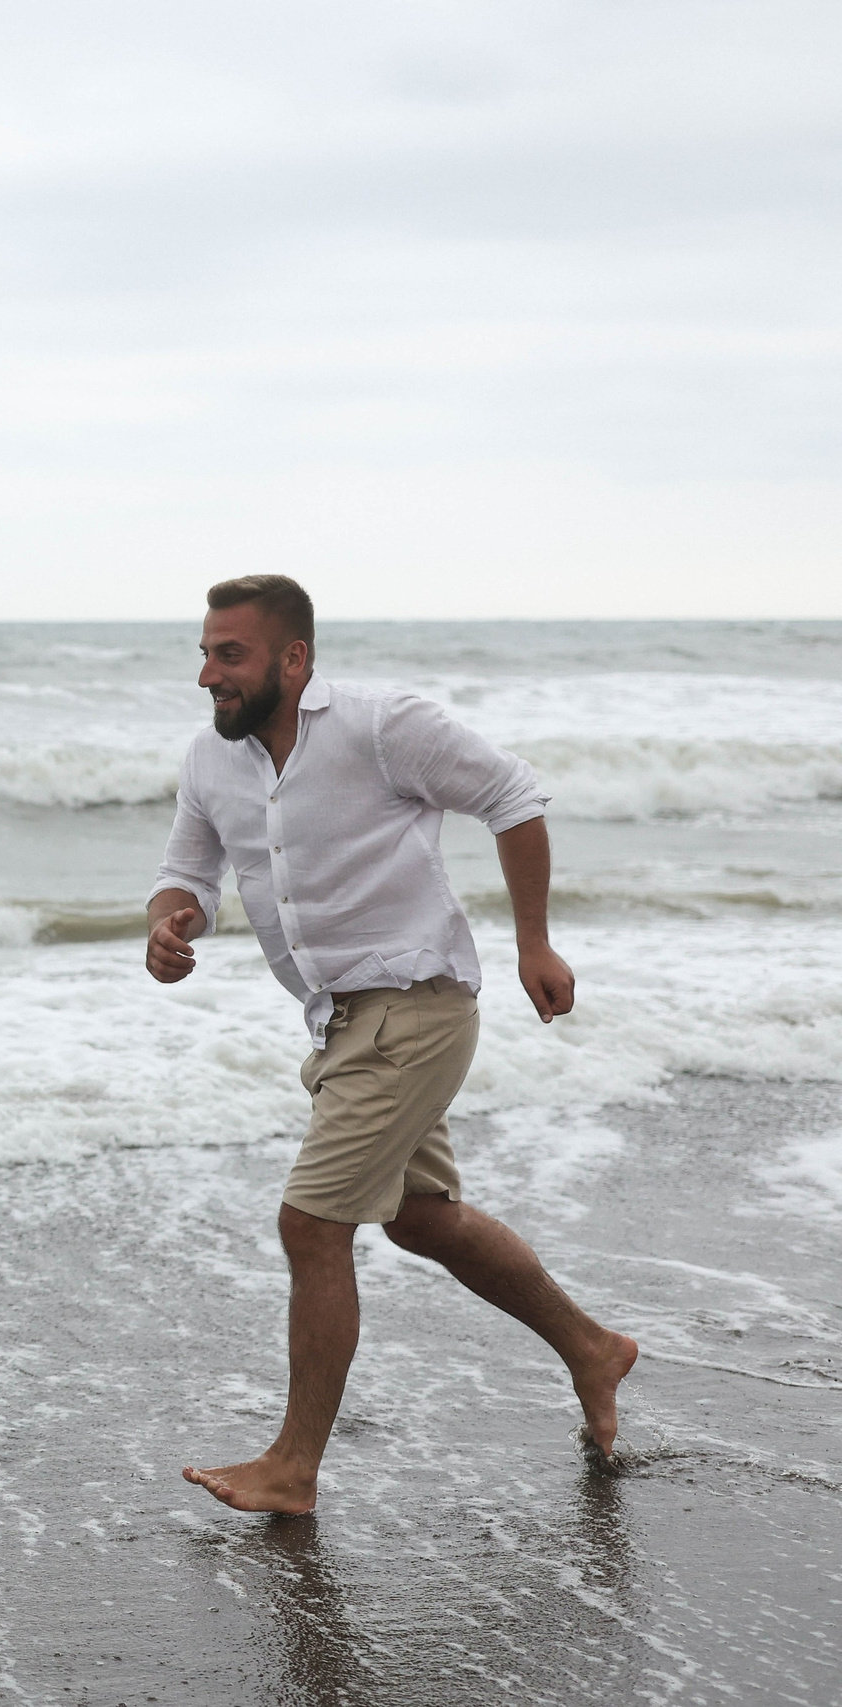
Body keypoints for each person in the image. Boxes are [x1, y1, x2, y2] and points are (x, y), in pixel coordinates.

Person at [146, 575, 638, 1516]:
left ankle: (294, 1467)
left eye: (230, 653)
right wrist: (171, 928)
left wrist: (533, 939)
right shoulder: (213, 765)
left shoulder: (380, 726)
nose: (209, 672)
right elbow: (187, 873)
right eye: (206, 652)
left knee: (312, 1224)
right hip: (341, 1024)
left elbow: (511, 792)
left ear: (294, 659)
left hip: (416, 1008)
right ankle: (591, 1347)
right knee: (420, 1218)